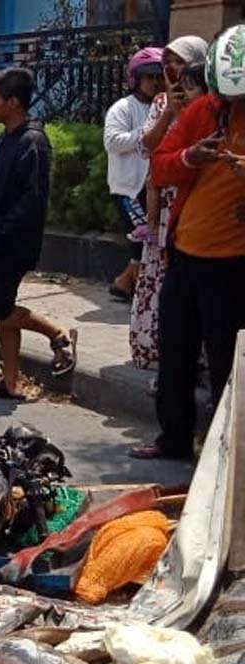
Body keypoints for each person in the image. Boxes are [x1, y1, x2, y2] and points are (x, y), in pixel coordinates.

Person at [133, 26, 245, 460]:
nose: (231, 106)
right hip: (186, 254)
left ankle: (224, 453)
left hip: (234, 265)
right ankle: (174, 439)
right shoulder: (203, 111)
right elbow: (160, 167)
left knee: (226, 363)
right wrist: (189, 157)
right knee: (175, 354)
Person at [0, 68, 75, 401]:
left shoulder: (33, 142)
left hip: (13, 242)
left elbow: (31, 200)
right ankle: (11, 381)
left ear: (14, 103)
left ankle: (57, 334)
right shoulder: (2, 140)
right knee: (3, 307)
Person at [132, 36, 209, 371]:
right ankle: (160, 354)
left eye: (178, 61)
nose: (170, 69)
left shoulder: (209, 102)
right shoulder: (162, 102)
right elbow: (148, 146)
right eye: (167, 62)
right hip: (163, 205)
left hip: (195, 201)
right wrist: (171, 114)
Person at [106, 48, 165, 302]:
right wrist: (147, 131)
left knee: (146, 241)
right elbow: (112, 141)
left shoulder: (162, 107)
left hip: (153, 186)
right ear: (136, 78)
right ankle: (140, 291)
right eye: (148, 76)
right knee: (145, 239)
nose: (154, 82)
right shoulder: (123, 108)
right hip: (129, 188)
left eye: (158, 77)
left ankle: (125, 283)